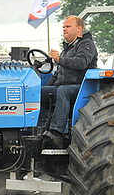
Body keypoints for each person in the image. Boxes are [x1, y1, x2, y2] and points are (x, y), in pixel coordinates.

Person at [40, 15, 97, 148]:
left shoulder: (86, 44)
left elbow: (81, 62)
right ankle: (38, 128)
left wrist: (60, 60)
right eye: (63, 27)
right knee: (37, 92)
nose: (64, 29)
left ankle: (57, 133)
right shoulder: (67, 48)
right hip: (63, 86)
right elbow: (58, 73)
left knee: (63, 90)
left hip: (82, 87)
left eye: (68, 26)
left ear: (79, 29)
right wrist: (46, 90)